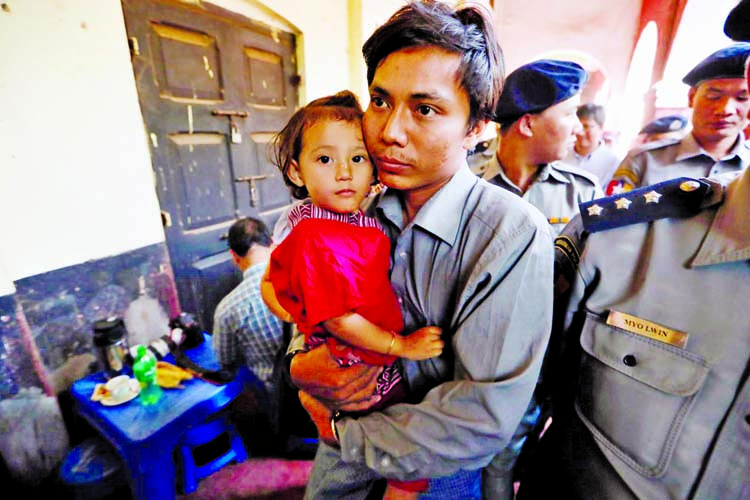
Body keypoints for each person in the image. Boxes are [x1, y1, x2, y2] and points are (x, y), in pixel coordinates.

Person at [287, 2, 554, 499]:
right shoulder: (351, 205)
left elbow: (481, 414)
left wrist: (340, 431)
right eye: (381, 101)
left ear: (477, 128)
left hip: (438, 471)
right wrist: (300, 365)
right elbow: (306, 306)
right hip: (336, 466)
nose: (389, 131)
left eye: (425, 109)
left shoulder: (510, 233)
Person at [262, 89, 445, 498]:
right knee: (390, 448)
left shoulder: (369, 214)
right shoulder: (307, 226)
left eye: (358, 158)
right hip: (355, 349)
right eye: (325, 159)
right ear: (296, 172)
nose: (344, 172)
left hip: (369, 352)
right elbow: (296, 294)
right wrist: (299, 318)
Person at [607, 43, 750, 195]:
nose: (725, 110)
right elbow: (610, 216)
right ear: (691, 97)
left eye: (742, 98)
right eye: (714, 97)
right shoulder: (644, 161)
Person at [480, 59, 603, 234]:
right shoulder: (463, 180)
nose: (578, 128)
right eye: (569, 113)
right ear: (527, 125)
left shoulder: (583, 193)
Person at [212, 217, 284, 397]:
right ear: (272, 244)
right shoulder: (305, 278)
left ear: (234, 256)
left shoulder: (227, 309)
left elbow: (225, 361)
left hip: (278, 398)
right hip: (325, 385)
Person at [564, 103, 620, 185]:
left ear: (601, 127)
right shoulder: (562, 155)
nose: (580, 132)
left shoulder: (612, 163)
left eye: (586, 127)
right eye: (578, 126)